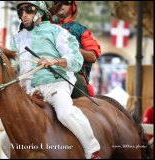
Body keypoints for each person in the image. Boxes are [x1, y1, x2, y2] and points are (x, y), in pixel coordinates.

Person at [9, 1, 101, 159]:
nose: (23, 14)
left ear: (40, 12)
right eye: (20, 11)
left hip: (55, 84)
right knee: (6, 139)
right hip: (29, 92)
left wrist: (54, 61)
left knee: (65, 114)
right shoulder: (16, 39)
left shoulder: (57, 31)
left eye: (28, 10)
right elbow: (12, 68)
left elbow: (77, 59)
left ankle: (93, 151)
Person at [53, 1, 101, 98]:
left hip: (72, 72)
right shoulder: (44, 26)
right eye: (57, 2)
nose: (61, 5)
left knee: (77, 83)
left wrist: (69, 48)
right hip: (45, 69)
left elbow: (92, 56)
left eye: (65, 2)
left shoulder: (81, 29)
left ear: (73, 7)